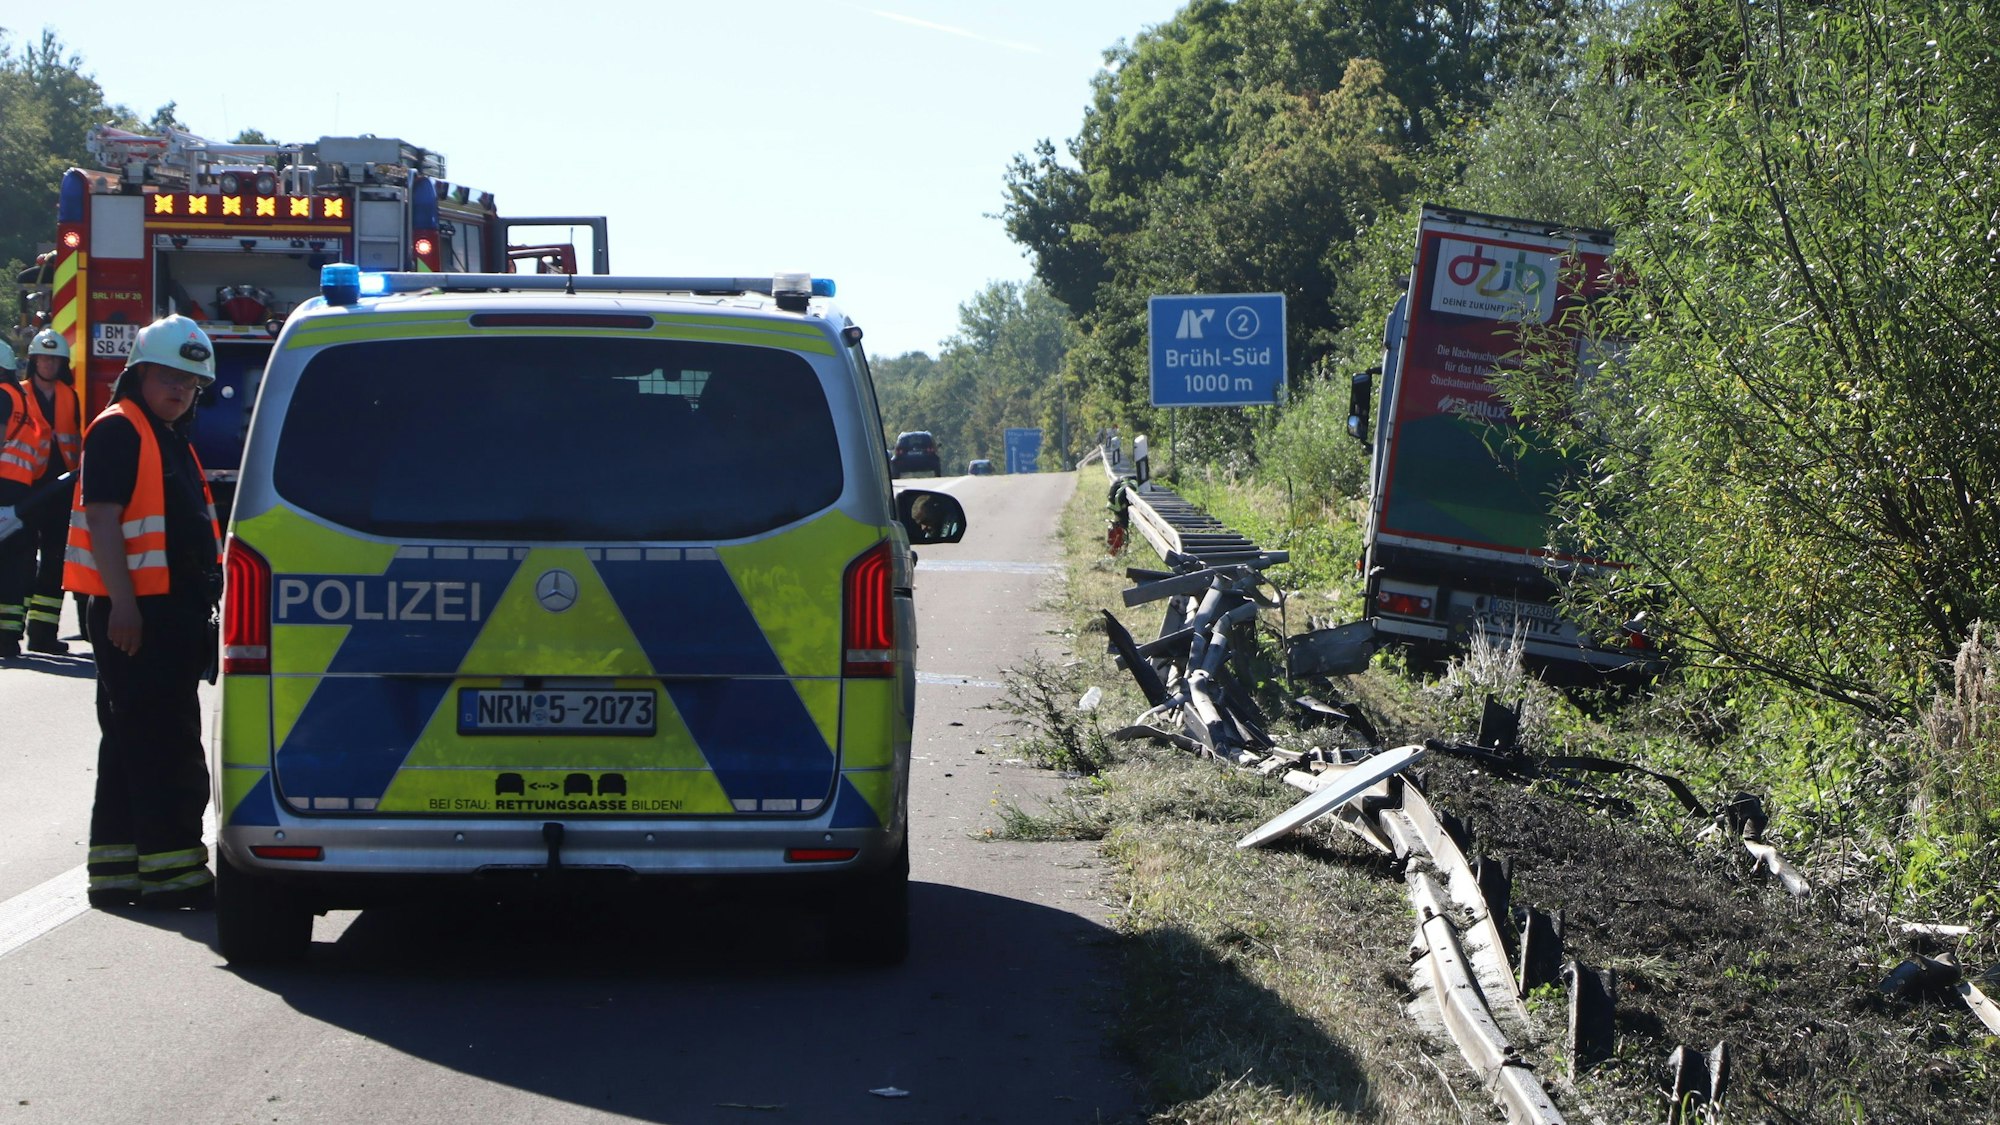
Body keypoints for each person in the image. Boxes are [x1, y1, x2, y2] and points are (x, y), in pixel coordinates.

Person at [66, 314, 223, 910]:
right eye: (168, 377)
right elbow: (103, 519)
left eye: (191, 383)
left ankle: (117, 871)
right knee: (165, 743)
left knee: (131, 739)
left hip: (164, 612)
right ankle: (172, 874)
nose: (180, 390)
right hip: (139, 613)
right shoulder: (121, 430)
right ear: (138, 375)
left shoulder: (162, 433)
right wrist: (124, 607)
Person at [20, 329, 83, 654]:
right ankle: (13, 631)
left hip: (61, 488)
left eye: (54, 359)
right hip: (27, 488)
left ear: (62, 364)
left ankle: (43, 634)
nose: (48, 364)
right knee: (23, 560)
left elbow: (75, 438)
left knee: (56, 561)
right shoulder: (20, 393)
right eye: (43, 358)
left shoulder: (69, 395)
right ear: (33, 361)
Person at [0, 343, 51, 659]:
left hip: (2, 487)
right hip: (21, 492)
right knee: (15, 566)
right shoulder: (26, 401)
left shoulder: (2, 395)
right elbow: (42, 451)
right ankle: (7, 636)